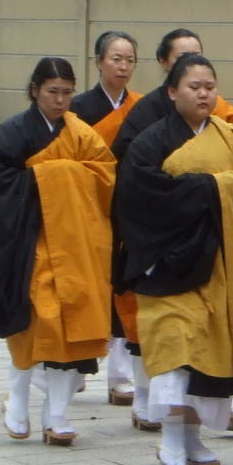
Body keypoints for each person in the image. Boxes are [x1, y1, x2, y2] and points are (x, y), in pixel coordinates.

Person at [113, 53, 233, 465]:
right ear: (172, 92)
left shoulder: (231, 137)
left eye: (210, 85)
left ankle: (194, 438)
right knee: (176, 350)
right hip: (168, 263)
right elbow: (139, 199)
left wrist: (209, 185)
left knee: (207, 355)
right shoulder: (149, 143)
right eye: (194, 86)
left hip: (217, 265)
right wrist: (214, 186)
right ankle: (172, 438)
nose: (204, 93)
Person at [0, 57, 117, 446]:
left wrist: (60, 175)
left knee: (68, 334)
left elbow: (105, 174)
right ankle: (18, 399)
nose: (60, 101)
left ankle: (56, 414)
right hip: (30, 242)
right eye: (52, 92)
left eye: (67, 93)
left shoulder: (81, 133)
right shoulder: (12, 134)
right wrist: (55, 175)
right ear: (35, 90)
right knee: (34, 326)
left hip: (74, 246)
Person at [69, 30, 142, 407]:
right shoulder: (79, 108)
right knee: (88, 284)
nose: (123, 66)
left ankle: (121, 375)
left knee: (123, 287)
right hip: (91, 207)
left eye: (129, 59)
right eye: (116, 58)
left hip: (127, 208)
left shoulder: (141, 108)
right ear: (98, 62)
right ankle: (78, 364)